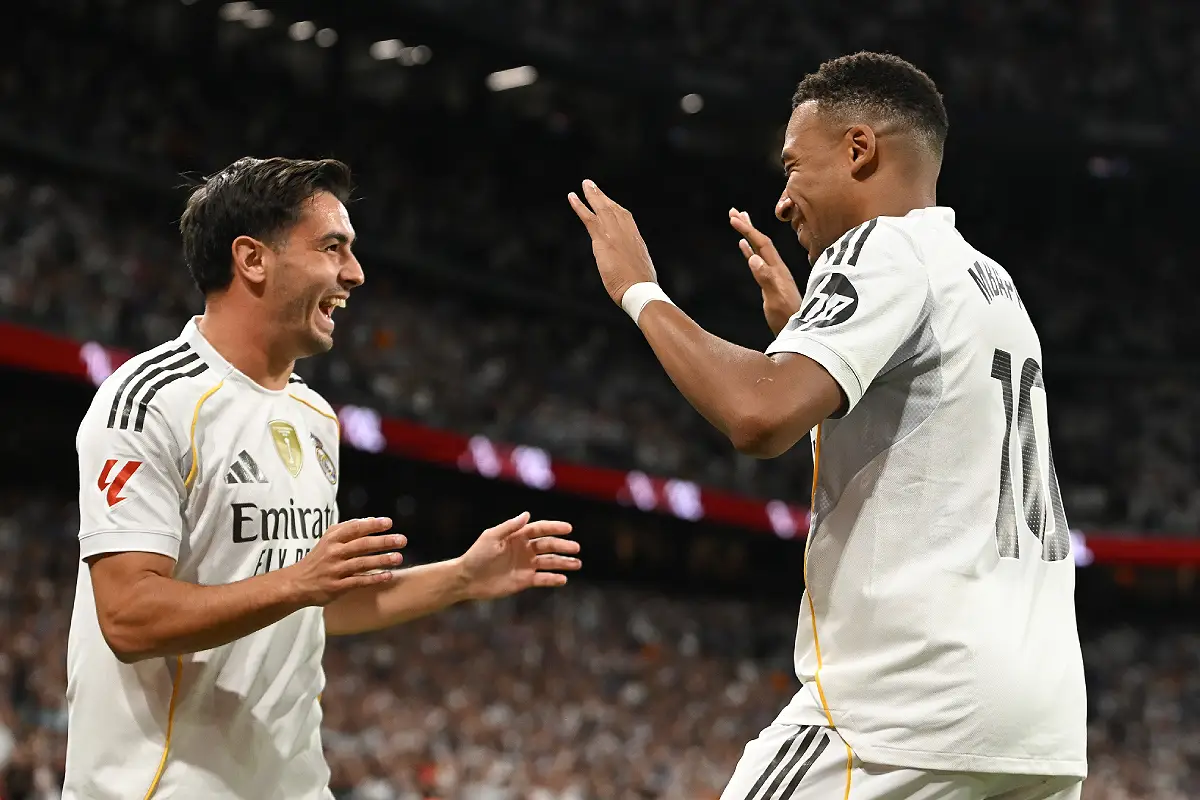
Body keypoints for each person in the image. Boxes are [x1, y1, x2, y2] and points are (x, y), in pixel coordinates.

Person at [569, 52, 1085, 799]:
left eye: (792, 166)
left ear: (858, 150)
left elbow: (756, 416)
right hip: (1038, 730)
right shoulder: (993, 285)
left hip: (902, 710)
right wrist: (805, 334)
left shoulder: (884, 246)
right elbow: (915, 447)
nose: (782, 200)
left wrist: (638, 289)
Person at [65, 156, 582, 799]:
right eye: (332, 247)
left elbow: (311, 606)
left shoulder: (313, 416)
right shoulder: (148, 402)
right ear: (252, 259)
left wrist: (460, 578)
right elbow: (129, 617)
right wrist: (297, 582)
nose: (355, 273)